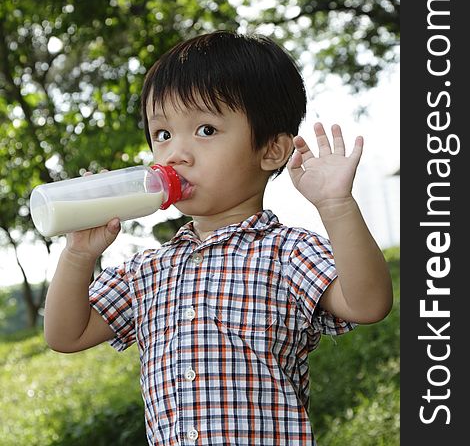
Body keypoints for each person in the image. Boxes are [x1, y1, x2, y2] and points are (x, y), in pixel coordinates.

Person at [44, 30, 393, 446]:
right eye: (163, 134)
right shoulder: (147, 271)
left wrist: (336, 206)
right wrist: (78, 254)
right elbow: (66, 335)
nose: (175, 154)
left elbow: (368, 304)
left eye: (206, 130)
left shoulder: (287, 252)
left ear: (271, 151)